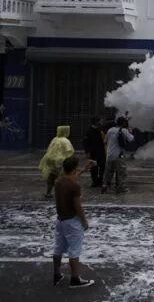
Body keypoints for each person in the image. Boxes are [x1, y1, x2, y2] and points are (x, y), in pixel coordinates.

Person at [52, 155, 96, 289]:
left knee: (58, 248)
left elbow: (71, 178)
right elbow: (78, 206)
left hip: (60, 220)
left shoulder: (59, 181)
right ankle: (75, 279)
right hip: (72, 221)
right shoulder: (75, 186)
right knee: (74, 250)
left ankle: (56, 274)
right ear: (74, 168)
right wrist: (84, 220)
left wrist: (84, 169)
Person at [39, 125, 75, 199]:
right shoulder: (65, 141)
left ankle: (48, 193)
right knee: (62, 178)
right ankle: (63, 194)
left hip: (51, 160)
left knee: (51, 177)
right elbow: (69, 151)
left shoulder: (54, 139)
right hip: (60, 161)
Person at [102, 117, 135, 194]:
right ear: (123, 123)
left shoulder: (110, 130)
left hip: (109, 155)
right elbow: (131, 139)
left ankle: (105, 187)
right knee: (122, 172)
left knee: (108, 172)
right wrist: (130, 131)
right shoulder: (124, 130)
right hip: (119, 155)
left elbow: (105, 141)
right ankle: (121, 188)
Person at [84, 117, 106, 188]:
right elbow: (86, 142)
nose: (101, 122)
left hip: (101, 151)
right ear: (96, 122)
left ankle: (100, 181)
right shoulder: (89, 130)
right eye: (99, 121)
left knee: (102, 166)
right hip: (93, 152)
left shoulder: (101, 130)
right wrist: (87, 152)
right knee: (93, 167)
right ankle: (95, 181)